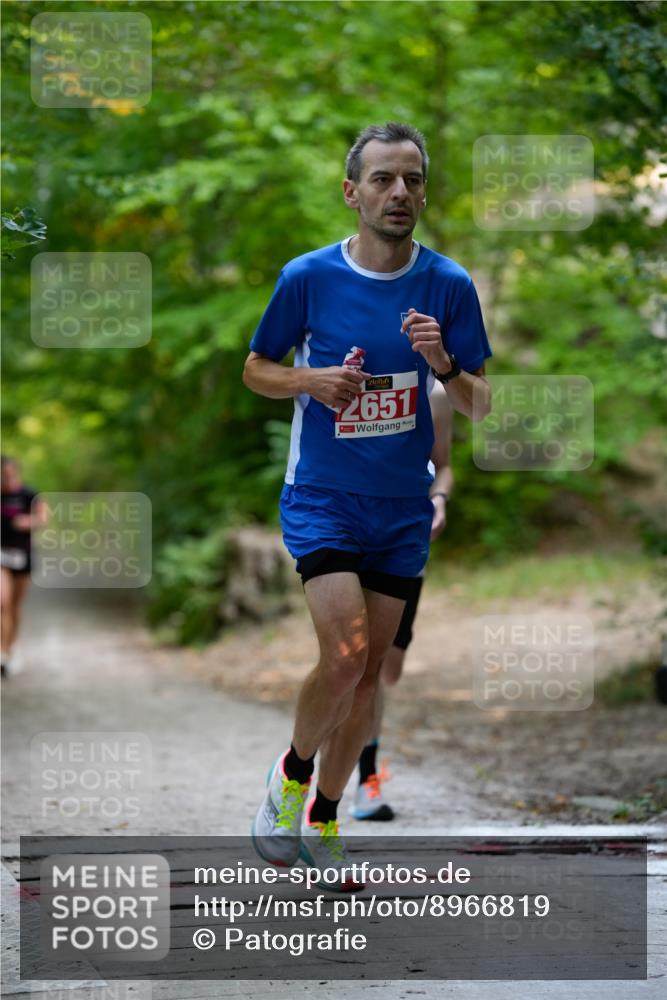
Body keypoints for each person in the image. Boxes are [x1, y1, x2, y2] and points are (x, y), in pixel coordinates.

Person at [243, 122, 492, 891]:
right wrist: (309, 382)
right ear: (351, 192)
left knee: (365, 679)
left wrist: (442, 362)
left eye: (412, 179)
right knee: (345, 655)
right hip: (321, 495)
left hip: (401, 508)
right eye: (382, 179)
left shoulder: (447, 285)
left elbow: (479, 405)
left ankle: (323, 817)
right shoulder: (308, 277)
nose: (399, 193)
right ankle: (289, 778)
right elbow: (256, 369)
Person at [350, 380, 453, 821]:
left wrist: (440, 500)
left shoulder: (435, 393)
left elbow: (443, 465)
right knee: (358, 664)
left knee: (387, 669)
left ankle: (344, 745)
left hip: (405, 535)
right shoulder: (341, 370)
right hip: (346, 527)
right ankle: (363, 781)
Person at [1, 456, 47, 676]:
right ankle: (1, 651)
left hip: (23, 555)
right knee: (2, 603)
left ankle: (11, 647)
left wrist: (26, 522)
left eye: (10, 475)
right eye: (2, 477)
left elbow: (44, 519)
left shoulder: (29, 494)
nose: (7, 480)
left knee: (15, 607)